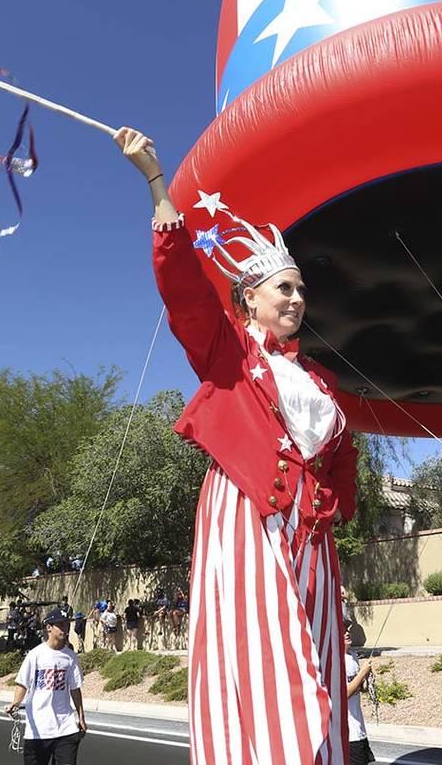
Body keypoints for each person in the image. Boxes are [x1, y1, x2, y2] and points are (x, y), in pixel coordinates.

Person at [117, 127, 360, 764]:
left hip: (311, 533)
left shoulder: (319, 379)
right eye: (285, 288)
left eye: (302, 289)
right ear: (249, 297)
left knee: (320, 653)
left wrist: (335, 507)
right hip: (246, 512)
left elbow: (342, 455)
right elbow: (185, 295)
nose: (298, 299)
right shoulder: (231, 353)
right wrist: (155, 182)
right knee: (267, 657)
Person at [5, 609, 87, 765]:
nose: (65, 628)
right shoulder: (35, 655)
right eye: (60, 625)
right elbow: (22, 682)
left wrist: (81, 717)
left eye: (66, 624)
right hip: (39, 729)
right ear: (49, 627)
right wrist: (15, 704)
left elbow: (75, 689)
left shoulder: (71, 657)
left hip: (66, 726)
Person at [343, 629, 374, 765]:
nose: (347, 633)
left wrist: (365, 680)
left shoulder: (353, 656)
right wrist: (362, 673)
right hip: (348, 734)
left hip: (359, 728)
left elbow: (359, 688)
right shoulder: (336, 660)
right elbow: (344, 694)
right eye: (342, 631)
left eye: (347, 630)